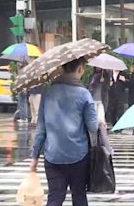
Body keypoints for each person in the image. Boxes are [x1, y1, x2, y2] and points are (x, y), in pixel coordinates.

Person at [30, 57, 98, 206]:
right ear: (80, 69)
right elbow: (93, 127)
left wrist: (34, 158)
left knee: (54, 198)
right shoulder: (84, 94)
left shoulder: (48, 93)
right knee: (79, 197)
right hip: (79, 155)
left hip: (53, 155)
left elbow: (41, 129)